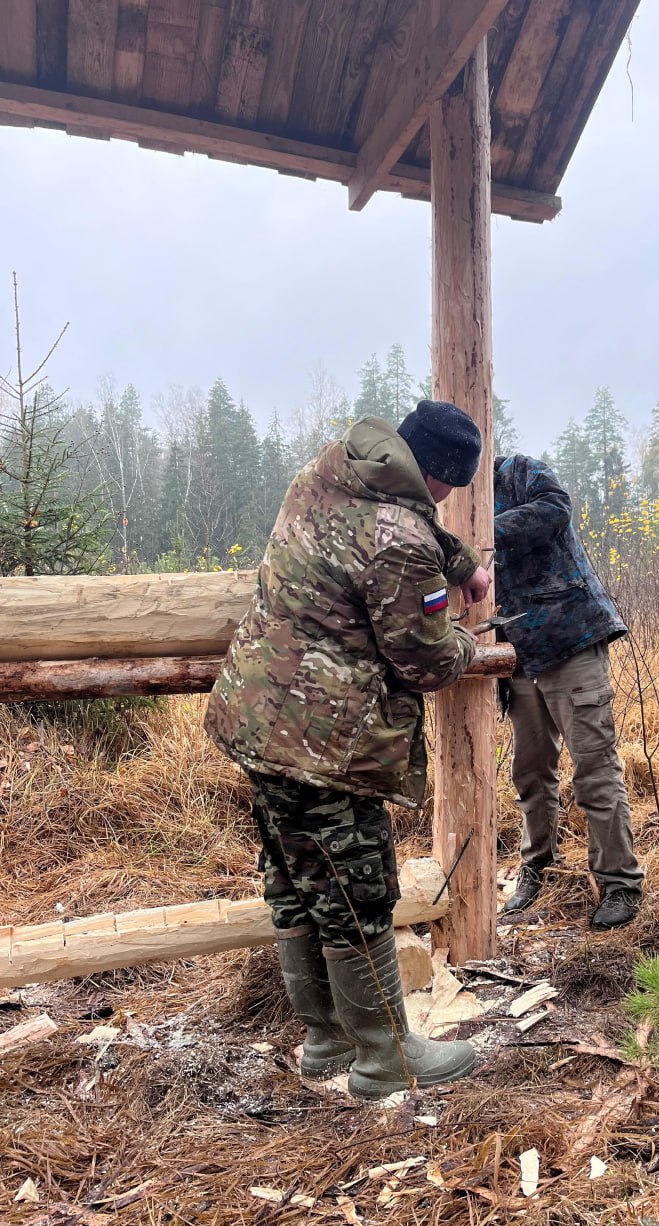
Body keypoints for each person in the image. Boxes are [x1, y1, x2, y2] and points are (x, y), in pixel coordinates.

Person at [205, 402, 491, 1098]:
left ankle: (327, 1040)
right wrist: (465, 641)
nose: (444, 501)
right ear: (440, 477)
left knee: (298, 880)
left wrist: (461, 565)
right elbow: (424, 660)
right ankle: (386, 1058)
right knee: (354, 888)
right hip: (324, 742)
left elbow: (402, 524)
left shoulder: (329, 474)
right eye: (449, 487)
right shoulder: (402, 541)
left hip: (259, 720)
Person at [493, 453, 645, 929]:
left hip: (570, 638)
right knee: (530, 769)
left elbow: (555, 507)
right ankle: (539, 866)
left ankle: (620, 883)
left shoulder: (517, 472)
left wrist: (481, 534)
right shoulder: (446, 505)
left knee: (594, 768)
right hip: (517, 653)